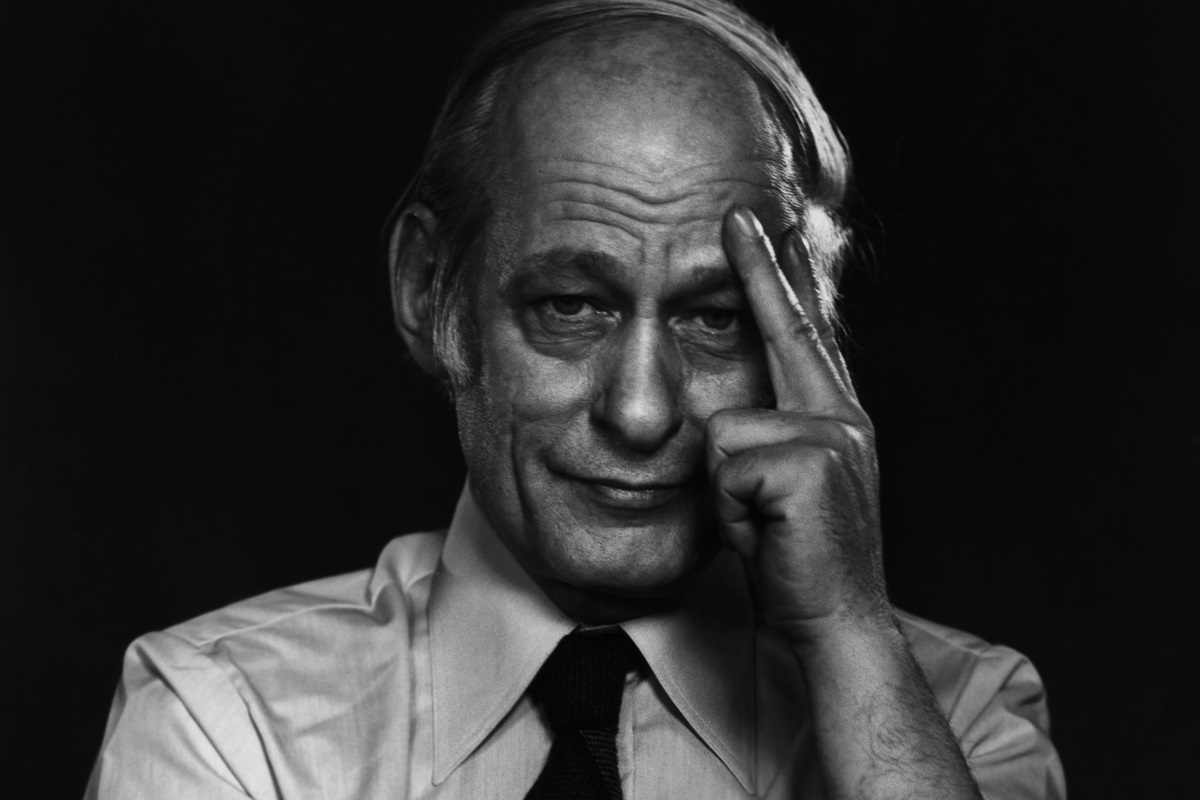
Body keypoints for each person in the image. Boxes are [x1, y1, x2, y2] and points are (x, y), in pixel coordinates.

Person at [86, 1, 1065, 798]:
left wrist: (850, 633)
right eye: (571, 307)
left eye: (715, 317)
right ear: (430, 291)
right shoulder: (226, 718)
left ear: (806, 331)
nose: (641, 413)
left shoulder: (962, 716)